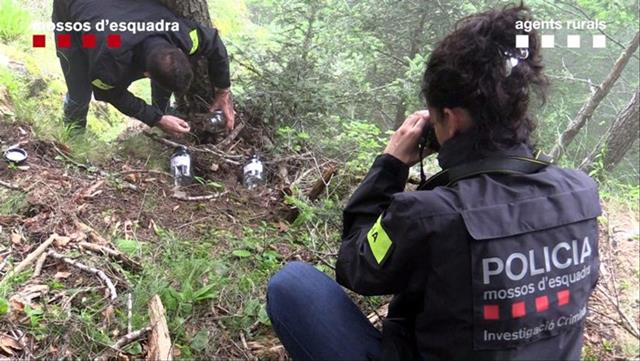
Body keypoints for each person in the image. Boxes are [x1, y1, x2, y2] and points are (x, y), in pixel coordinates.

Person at [266, 5, 601, 361]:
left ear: (451, 120)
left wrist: (390, 165)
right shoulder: (580, 192)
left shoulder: (429, 215)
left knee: (293, 286)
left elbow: (356, 264)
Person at [52, 0, 234, 136]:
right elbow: (110, 93)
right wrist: (156, 120)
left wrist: (223, 91)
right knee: (79, 90)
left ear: (179, 49)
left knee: (164, 71)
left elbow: (214, 42)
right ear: (146, 74)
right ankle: (73, 140)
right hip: (72, 19)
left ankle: (162, 110)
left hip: (117, 14)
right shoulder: (111, 63)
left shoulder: (181, 34)